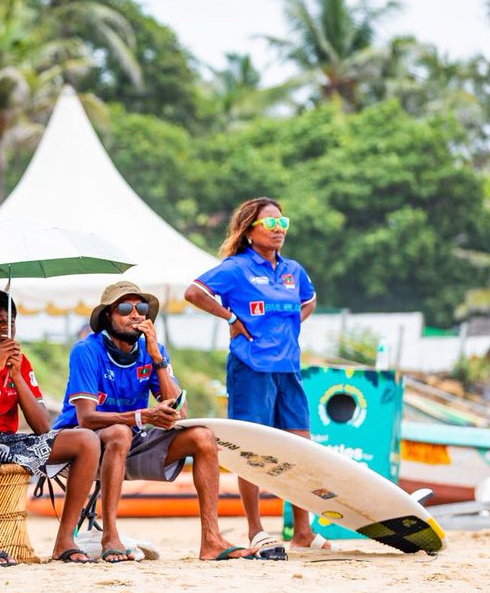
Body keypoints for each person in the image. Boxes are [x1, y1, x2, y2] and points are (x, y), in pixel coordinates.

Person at [54, 281, 260, 562]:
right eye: (125, 308)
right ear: (107, 317)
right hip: (81, 443)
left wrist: (157, 357)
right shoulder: (86, 350)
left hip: (128, 441)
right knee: (119, 432)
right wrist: (142, 416)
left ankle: (211, 539)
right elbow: (86, 418)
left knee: (202, 437)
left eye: (142, 308)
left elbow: (180, 410)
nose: (136, 314)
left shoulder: (154, 350)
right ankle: (110, 535)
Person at [184, 196, 326, 555]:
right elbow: (194, 292)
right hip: (251, 369)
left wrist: (291, 326)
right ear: (249, 232)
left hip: (289, 369)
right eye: (271, 224)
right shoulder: (236, 268)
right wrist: (231, 318)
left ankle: (302, 532)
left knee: (301, 447)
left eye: (283, 224)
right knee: (252, 450)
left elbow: (309, 300)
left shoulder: (294, 270)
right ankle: (256, 530)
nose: (279, 231)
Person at [0, 290, 100, 564]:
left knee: (87, 440)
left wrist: (17, 376)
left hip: (8, 441)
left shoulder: (21, 361)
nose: (4, 327)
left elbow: (44, 426)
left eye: (10, 322)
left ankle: (65, 540)